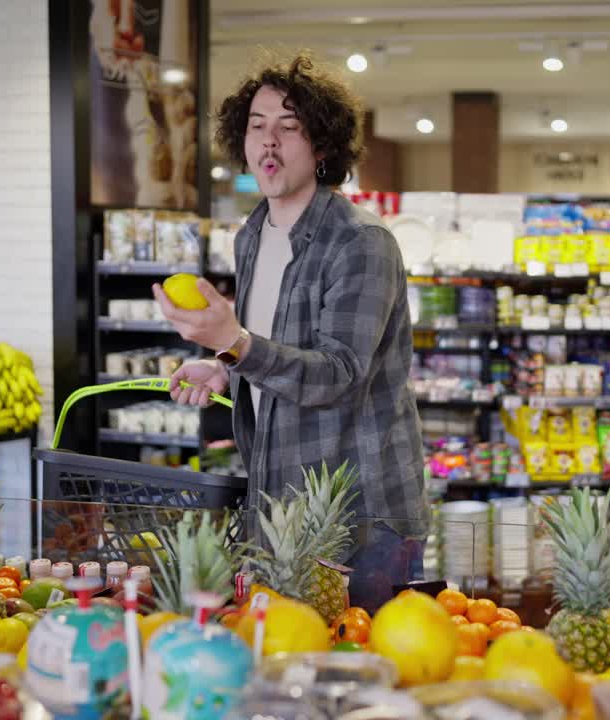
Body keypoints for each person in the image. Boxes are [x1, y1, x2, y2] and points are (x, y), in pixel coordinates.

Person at [151, 53, 425, 608]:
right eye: (256, 126)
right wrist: (224, 365)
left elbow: (339, 373)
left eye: (289, 127)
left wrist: (235, 343)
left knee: (363, 673)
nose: (268, 142)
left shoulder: (361, 243)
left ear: (322, 146)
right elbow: (271, 345)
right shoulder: (253, 234)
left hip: (358, 515)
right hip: (277, 501)